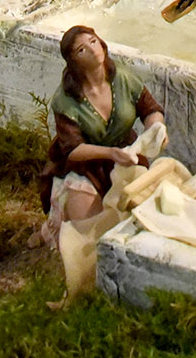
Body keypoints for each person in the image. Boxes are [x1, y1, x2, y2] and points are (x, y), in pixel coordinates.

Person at [38, 25, 167, 247]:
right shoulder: (66, 100)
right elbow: (72, 149)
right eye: (81, 49)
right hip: (88, 166)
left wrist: (156, 129)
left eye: (93, 41)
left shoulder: (124, 79)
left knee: (141, 212)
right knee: (87, 228)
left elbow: (150, 110)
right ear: (73, 61)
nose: (91, 49)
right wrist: (110, 153)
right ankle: (53, 235)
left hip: (127, 158)